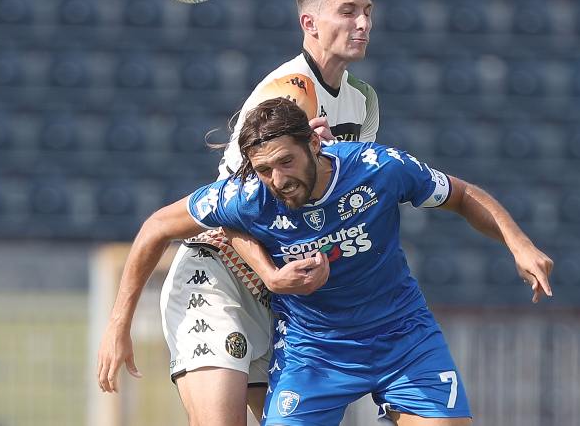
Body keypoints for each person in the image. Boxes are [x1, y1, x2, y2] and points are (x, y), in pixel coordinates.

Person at [98, 97, 554, 425]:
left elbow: (461, 195)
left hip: (403, 338)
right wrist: (119, 324)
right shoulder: (249, 197)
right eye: (263, 170)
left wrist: (519, 244)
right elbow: (157, 225)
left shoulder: (378, 169)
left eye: (286, 162)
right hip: (315, 352)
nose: (277, 179)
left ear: (315, 146)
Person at [98, 0, 380, 426]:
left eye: (367, 12)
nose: (363, 24)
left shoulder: (363, 101)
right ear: (309, 24)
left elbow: (347, 199)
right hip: (219, 280)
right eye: (348, 12)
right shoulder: (289, 93)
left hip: (281, 301)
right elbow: (234, 211)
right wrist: (118, 324)